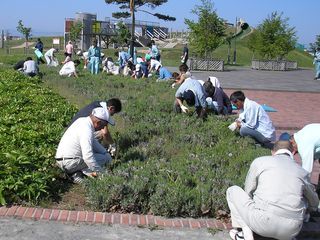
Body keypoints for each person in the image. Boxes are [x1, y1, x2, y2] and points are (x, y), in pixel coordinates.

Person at [226, 140, 319, 240]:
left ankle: (245, 234)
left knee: (232, 190)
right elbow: (314, 203)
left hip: (262, 222)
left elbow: (248, 191)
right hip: (292, 229)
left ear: (272, 152)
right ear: (292, 153)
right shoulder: (302, 172)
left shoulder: (260, 161)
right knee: (303, 197)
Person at [55, 108, 114, 183]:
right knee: (103, 159)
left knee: (104, 156)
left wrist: (105, 152)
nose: (103, 128)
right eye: (104, 125)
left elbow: (93, 142)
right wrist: (102, 173)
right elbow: (88, 157)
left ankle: (77, 173)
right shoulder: (86, 129)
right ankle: (77, 174)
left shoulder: (82, 121)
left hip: (64, 160)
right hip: (69, 162)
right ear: (98, 123)